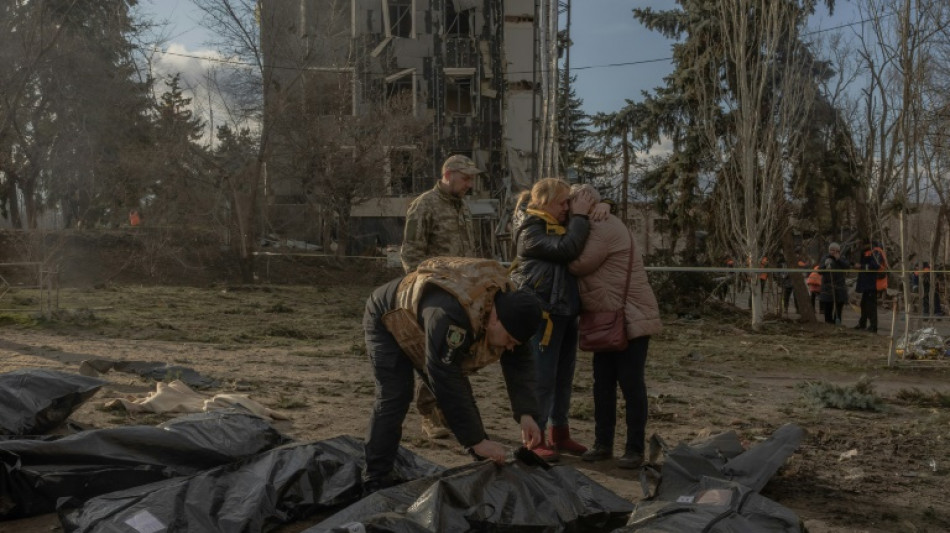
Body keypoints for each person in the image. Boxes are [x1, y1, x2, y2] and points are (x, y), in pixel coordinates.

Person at [361, 257, 544, 494]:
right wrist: (476, 441)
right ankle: (375, 478)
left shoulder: (511, 308)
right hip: (389, 317)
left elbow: (519, 361)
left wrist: (526, 413)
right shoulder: (454, 315)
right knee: (395, 396)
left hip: (424, 325)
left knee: (452, 389)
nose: (509, 347)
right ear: (496, 319)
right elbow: (446, 378)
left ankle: (480, 455)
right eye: (509, 340)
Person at [567, 185, 662, 470]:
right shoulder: (598, 221)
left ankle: (633, 449)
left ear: (584, 203)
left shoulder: (601, 226)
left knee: (630, 384)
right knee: (603, 385)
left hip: (629, 317)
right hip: (610, 317)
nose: (567, 208)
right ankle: (603, 444)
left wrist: (577, 222)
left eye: (569, 203)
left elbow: (579, 264)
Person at [509, 177, 594, 462]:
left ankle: (560, 432)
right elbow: (565, 250)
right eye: (563, 202)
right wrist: (580, 217)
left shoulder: (557, 224)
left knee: (563, 377)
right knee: (542, 378)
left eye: (569, 203)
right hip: (544, 314)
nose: (567, 208)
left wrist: (601, 204)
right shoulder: (530, 229)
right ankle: (537, 438)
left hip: (566, 310)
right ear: (544, 202)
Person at [399, 154, 481, 439]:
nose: (469, 184)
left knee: (455, 352)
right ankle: (428, 413)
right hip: (436, 295)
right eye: (465, 178)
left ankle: (448, 410)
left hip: (463, 292)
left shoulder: (463, 208)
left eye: (471, 179)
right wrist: (422, 292)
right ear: (448, 175)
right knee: (433, 352)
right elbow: (410, 253)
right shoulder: (424, 205)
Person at [854, 237, 882, 333]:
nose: (859, 246)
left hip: (873, 283)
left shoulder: (875, 251)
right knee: (864, 304)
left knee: (871, 306)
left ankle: (873, 326)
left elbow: (875, 266)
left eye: (860, 244)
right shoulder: (867, 252)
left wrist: (861, 266)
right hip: (866, 284)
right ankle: (862, 323)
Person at [820, 242, 850, 324]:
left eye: (836, 250)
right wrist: (825, 265)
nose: (833, 252)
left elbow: (847, 266)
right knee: (828, 308)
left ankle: (837, 323)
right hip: (828, 287)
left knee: (838, 308)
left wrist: (838, 259)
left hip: (840, 287)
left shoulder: (842, 258)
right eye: (831, 250)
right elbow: (819, 270)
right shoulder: (825, 258)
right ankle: (828, 323)